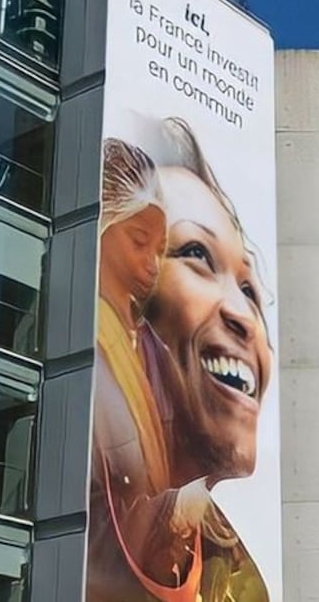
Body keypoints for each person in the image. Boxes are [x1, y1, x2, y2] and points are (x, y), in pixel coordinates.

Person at [140, 116, 272, 601]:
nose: (245, 315)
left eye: (248, 288)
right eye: (197, 253)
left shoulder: (235, 579)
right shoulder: (81, 535)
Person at [88, 139, 212, 602]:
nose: (150, 265)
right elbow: (81, 515)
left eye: (158, 249)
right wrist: (176, 509)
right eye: (138, 242)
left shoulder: (155, 352)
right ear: (99, 226)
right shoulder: (78, 345)